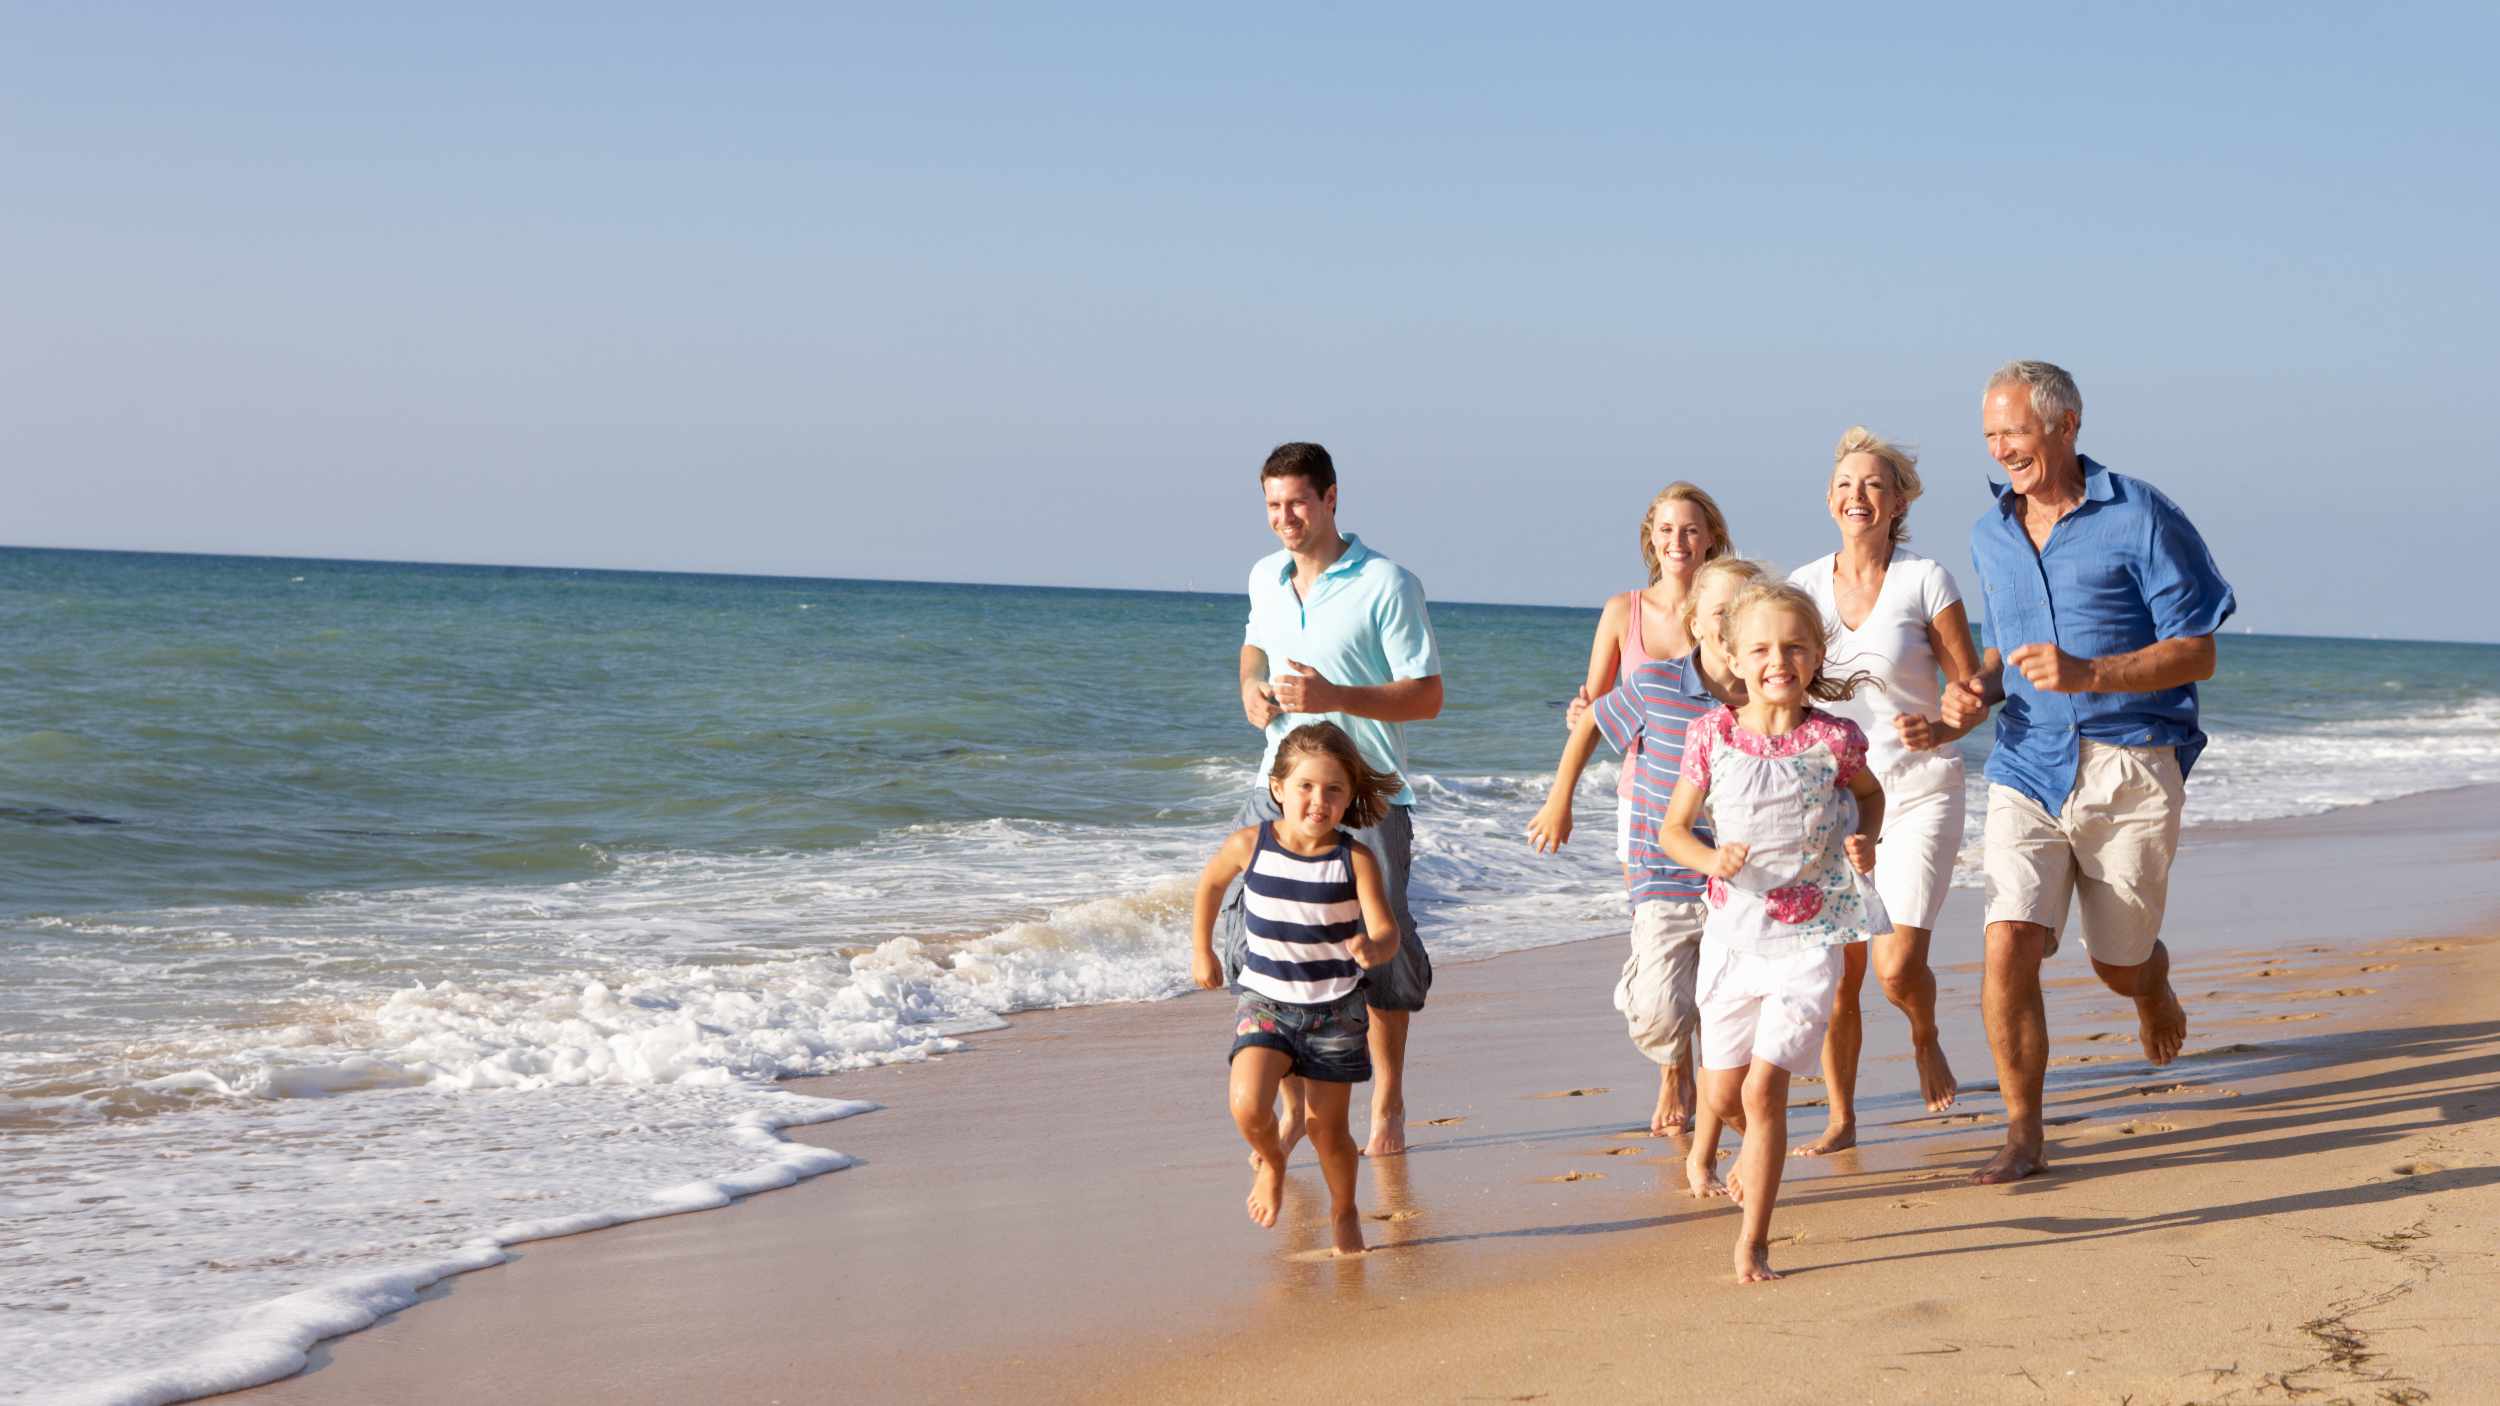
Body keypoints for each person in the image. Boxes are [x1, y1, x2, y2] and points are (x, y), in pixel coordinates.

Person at [1941, 360, 2236, 1185]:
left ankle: (2149, 986)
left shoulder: (2141, 515)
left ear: (2067, 425)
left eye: (2016, 432)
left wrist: (2091, 674)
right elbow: (2007, 649)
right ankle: (2025, 1133)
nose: (2003, 450)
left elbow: (2199, 650)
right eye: (1992, 436)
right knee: (2008, 943)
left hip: (2129, 762)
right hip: (2026, 761)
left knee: (2116, 962)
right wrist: (1971, 693)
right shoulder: (1988, 533)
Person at [1659, 581, 1886, 1283]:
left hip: (1810, 937)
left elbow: (1871, 796)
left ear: (1817, 654)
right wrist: (1709, 856)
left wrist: (1865, 841)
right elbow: (1673, 830)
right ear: (1732, 654)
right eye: (1760, 648)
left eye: (1794, 646)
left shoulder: (1835, 739)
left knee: (1764, 1094)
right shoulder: (1712, 734)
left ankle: (1753, 1241)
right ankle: (1718, 1150)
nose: (1777, 660)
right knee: (1723, 1097)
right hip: (1733, 937)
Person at [1233, 442, 1443, 1160]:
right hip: (1278, 788)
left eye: (1296, 502)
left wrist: (1334, 698)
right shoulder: (1266, 576)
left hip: (1369, 796)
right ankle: (1297, 1103)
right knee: (1268, 942)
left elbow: (1428, 697)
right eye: (1271, 505)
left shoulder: (1387, 583)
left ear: (1330, 498)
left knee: (1379, 954)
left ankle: (1386, 1098)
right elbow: (1254, 648)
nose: (1284, 518)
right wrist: (1248, 691)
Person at [1785, 428, 1982, 1154]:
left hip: (1921, 789)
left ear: (1899, 501)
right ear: (1829, 499)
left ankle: (1924, 1032)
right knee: (1841, 973)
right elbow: (1768, 674)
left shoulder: (1926, 578)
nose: (1856, 496)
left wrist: (1947, 726)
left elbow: (1970, 690)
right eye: (1844, 484)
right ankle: (1842, 1116)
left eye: (1872, 485)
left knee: (1897, 969)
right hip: (1834, 801)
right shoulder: (1803, 586)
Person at [1529, 554, 1761, 1136]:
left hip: (1737, 876)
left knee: (1724, 1000)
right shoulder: (1657, 683)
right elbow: (1587, 725)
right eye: (1719, 611)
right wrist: (1560, 801)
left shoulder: (1763, 699)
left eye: (1744, 610)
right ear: (1695, 620)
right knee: (1660, 1016)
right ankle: (1650, 1002)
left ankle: (1717, 1102)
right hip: (1660, 867)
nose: (1731, 621)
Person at [1191, 723, 1403, 1255]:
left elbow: (1386, 930)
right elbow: (1211, 883)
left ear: (1350, 797)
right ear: (1278, 787)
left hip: (1335, 1012)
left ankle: (1344, 1210)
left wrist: (1374, 949)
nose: (1318, 801)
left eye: (1334, 790)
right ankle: (1275, 1161)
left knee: (1327, 1130)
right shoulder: (1249, 845)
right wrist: (1202, 948)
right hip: (1266, 1003)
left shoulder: (1354, 859)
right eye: (1306, 786)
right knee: (1246, 1105)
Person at [1565, 483, 1734, 880]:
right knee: (1650, 920)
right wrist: (1578, 716)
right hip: (1643, 795)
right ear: (1651, 536)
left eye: (1691, 530)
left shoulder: (1730, 611)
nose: (1677, 540)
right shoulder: (1623, 611)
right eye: (1666, 529)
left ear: (1711, 538)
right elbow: (1595, 710)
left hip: (1722, 793)